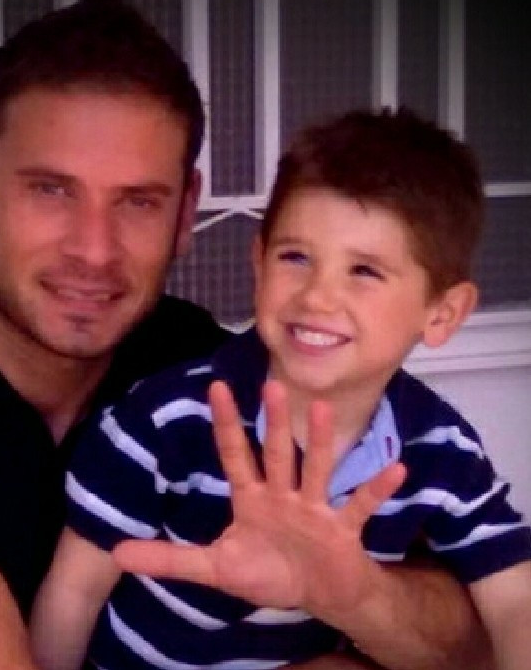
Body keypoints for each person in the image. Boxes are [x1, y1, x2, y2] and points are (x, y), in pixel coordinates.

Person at [0, 0, 490, 670]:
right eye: (51, 190)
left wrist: (358, 597)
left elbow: (472, 642)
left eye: (139, 201)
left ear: (185, 212)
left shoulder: (205, 372)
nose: (94, 249)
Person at [30, 107, 531, 670]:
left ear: (442, 313)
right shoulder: (168, 419)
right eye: (296, 257)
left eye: (364, 271)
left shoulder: (441, 453)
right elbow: (74, 591)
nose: (316, 296)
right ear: (259, 262)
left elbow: (514, 598)